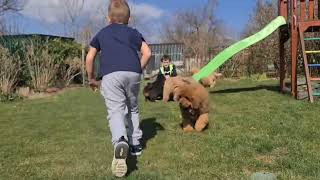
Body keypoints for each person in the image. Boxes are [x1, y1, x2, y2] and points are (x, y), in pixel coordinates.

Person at [85, 0, 151, 177]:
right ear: (129, 19)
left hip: (111, 76)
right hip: (133, 74)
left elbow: (90, 57)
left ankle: (120, 141)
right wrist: (138, 68)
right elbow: (148, 53)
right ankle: (136, 144)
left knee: (116, 110)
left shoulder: (102, 33)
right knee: (133, 108)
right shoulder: (133, 32)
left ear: (109, 18)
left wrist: (91, 78)